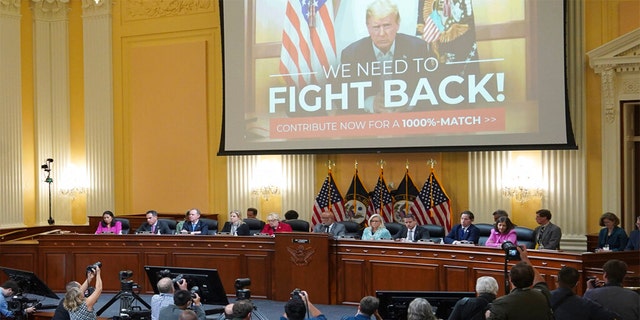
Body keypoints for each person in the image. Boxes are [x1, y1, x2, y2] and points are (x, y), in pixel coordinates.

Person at [339, 0, 432, 113]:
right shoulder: (351, 54)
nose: (382, 33)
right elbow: (345, 97)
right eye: (376, 27)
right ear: (368, 27)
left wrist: (409, 102)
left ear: (398, 24)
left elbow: (430, 88)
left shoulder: (417, 48)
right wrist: (370, 103)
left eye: (387, 26)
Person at [486, 246, 553, 320]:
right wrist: (525, 258)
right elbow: (540, 282)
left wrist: (488, 316)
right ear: (532, 278)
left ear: (510, 279)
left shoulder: (501, 303)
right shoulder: (542, 294)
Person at [550, 266, 617, 320]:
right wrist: (590, 292)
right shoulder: (586, 304)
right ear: (577, 283)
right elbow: (613, 317)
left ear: (557, 281)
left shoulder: (545, 297)